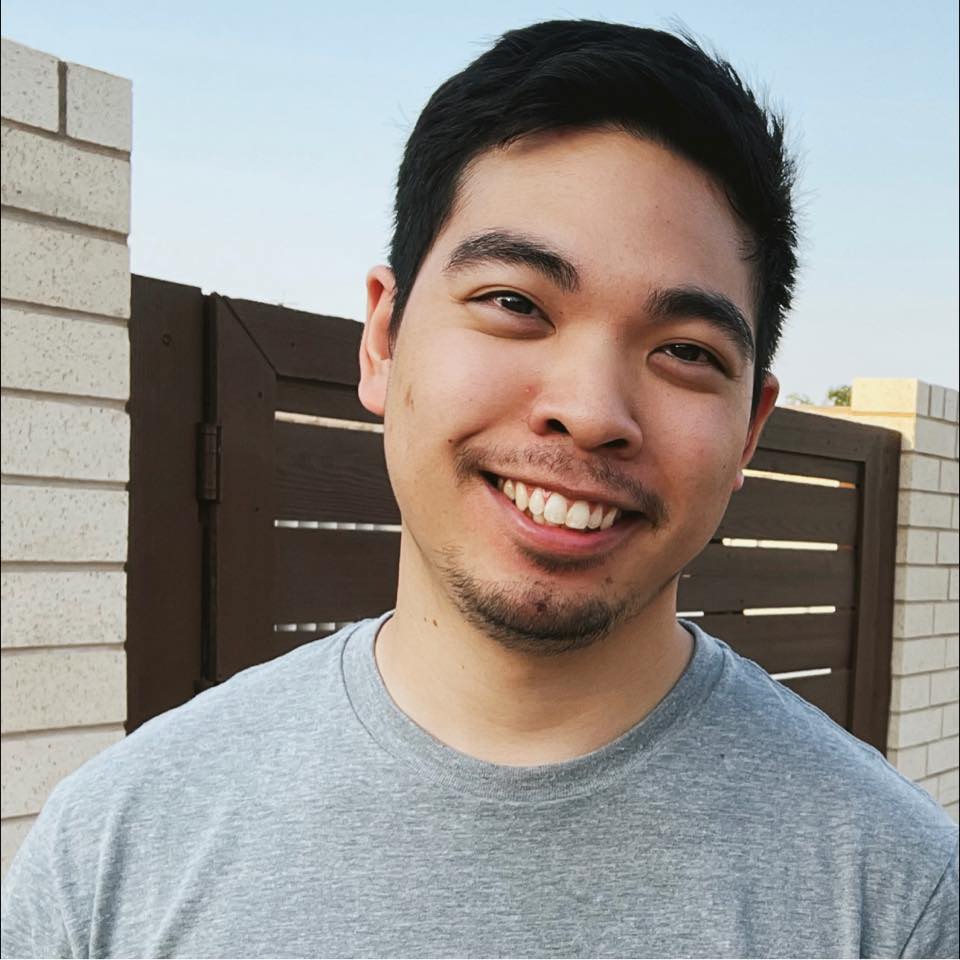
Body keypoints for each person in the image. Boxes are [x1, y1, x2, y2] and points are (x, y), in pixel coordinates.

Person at [2, 19, 957, 960]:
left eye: (685, 352)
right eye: (514, 303)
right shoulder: (116, 850)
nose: (589, 411)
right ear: (383, 338)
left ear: (750, 428)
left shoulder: (895, 897)